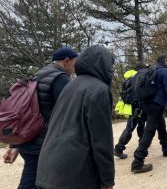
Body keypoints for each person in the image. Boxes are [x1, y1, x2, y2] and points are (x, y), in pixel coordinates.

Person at [36, 45, 114, 189]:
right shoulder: (99, 90)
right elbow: (102, 140)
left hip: (47, 171)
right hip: (74, 175)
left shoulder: (70, 86)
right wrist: (108, 180)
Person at [2, 46, 78, 189]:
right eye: (74, 62)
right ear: (67, 61)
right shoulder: (59, 78)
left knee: (33, 179)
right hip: (44, 144)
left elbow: (27, 112)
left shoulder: (37, 75)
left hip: (29, 139)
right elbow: (70, 111)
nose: (74, 67)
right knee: (37, 182)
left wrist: (15, 144)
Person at [131, 54, 167, 173]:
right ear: (166, 60)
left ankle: (166, 147)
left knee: (160, 124)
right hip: (156, 104)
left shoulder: (151, 70)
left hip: (147, 103)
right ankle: (137, 161)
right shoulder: (164, 72)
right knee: (149, 131)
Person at [114, 67, 146, 159]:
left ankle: (141, 144)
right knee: (135, 126)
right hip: (138, 106)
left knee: (133, 126)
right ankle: (119, 148)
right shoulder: (137, 78)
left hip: (130, 107)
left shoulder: (127, 79)